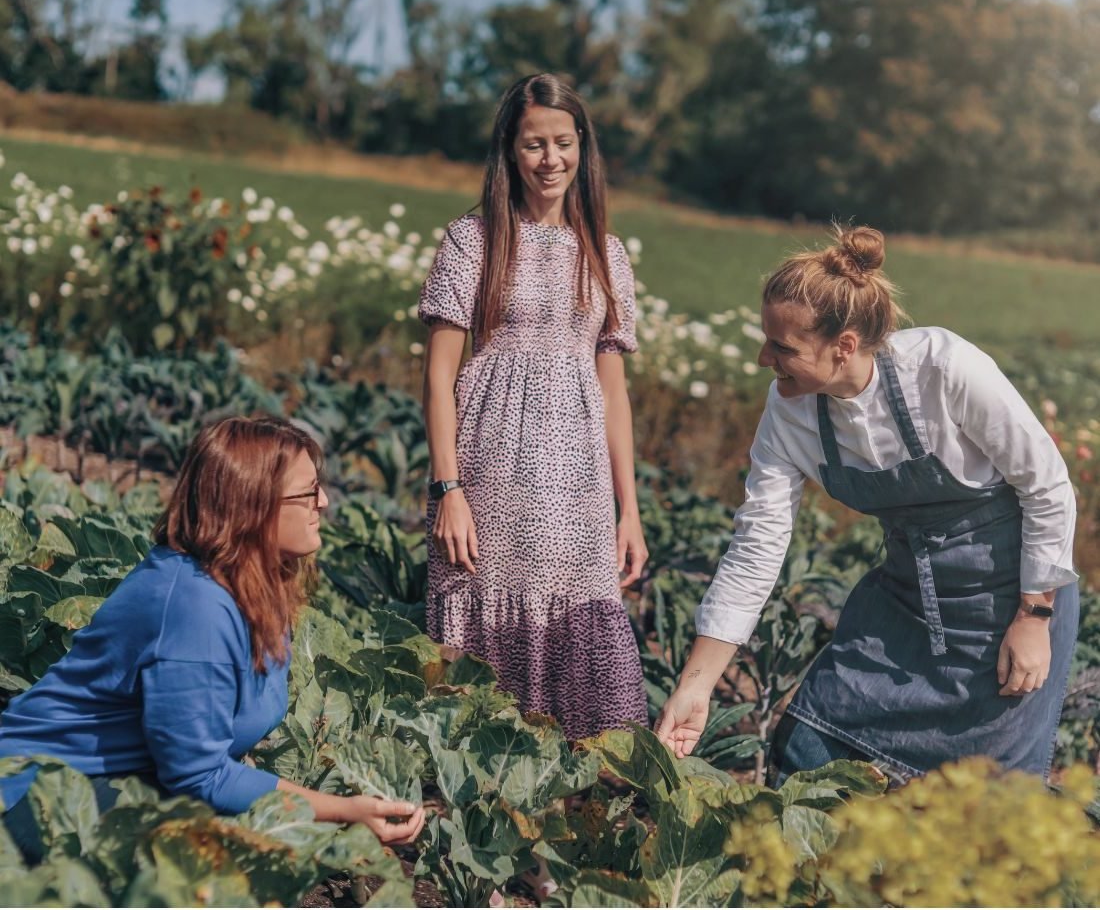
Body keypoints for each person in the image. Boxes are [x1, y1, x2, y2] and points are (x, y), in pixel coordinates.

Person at [655, 226, 1079, 786]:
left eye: (782, 347)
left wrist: (1034, 617)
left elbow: (1047, 486)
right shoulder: (792, 411)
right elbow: (757, 545)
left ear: (845, 347)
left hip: (1012, 605)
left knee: (986, 804)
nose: (764, 358)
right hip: (904, 604)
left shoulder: (944, 368)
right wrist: (696, 685)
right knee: (811, 750)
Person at [0, 416, 425, 860]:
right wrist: (342, 811)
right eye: (306, 493)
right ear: (251, 507)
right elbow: (200, 777)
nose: (323, 501)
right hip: (41, 795)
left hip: (128, 782)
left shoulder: (256, 585)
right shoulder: (194, 606)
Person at [418, 72, 648, 742]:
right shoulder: (472, 240)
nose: (551, 160)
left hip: (578, 488)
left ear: (583, 147)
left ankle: (579, 804)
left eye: (564, 142)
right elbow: (438, 379)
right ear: (509, 153)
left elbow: (614, 392)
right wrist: (448, 490)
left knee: (584, 640)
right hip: (488, 475)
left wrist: (628, 511)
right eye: (534, 145)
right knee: (481, 652)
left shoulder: (607, 254)